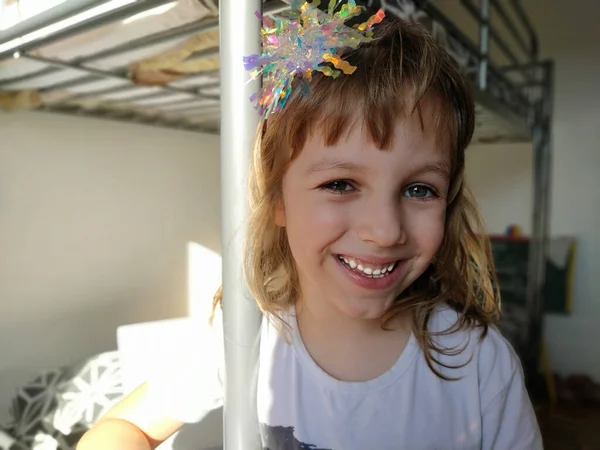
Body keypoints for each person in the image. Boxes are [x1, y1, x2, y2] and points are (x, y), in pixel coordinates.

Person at [77, 2, 543, 449]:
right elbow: (120, 428)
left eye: (419, 190)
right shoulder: (248, 337)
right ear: (277, 198)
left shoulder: (480, 363)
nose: (384, 232)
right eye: (341, 184)